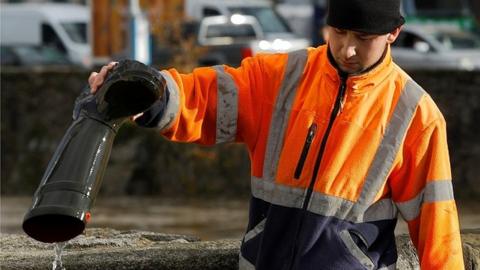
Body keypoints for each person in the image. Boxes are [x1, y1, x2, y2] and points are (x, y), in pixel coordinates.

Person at [88, 0, 464, 268]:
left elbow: (437, 230)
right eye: (339, 31)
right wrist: (149, 91)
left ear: (393, 33)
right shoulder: (282, 77)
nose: (347, 48)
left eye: (363, 37)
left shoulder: (416, 114)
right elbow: (204, 96)